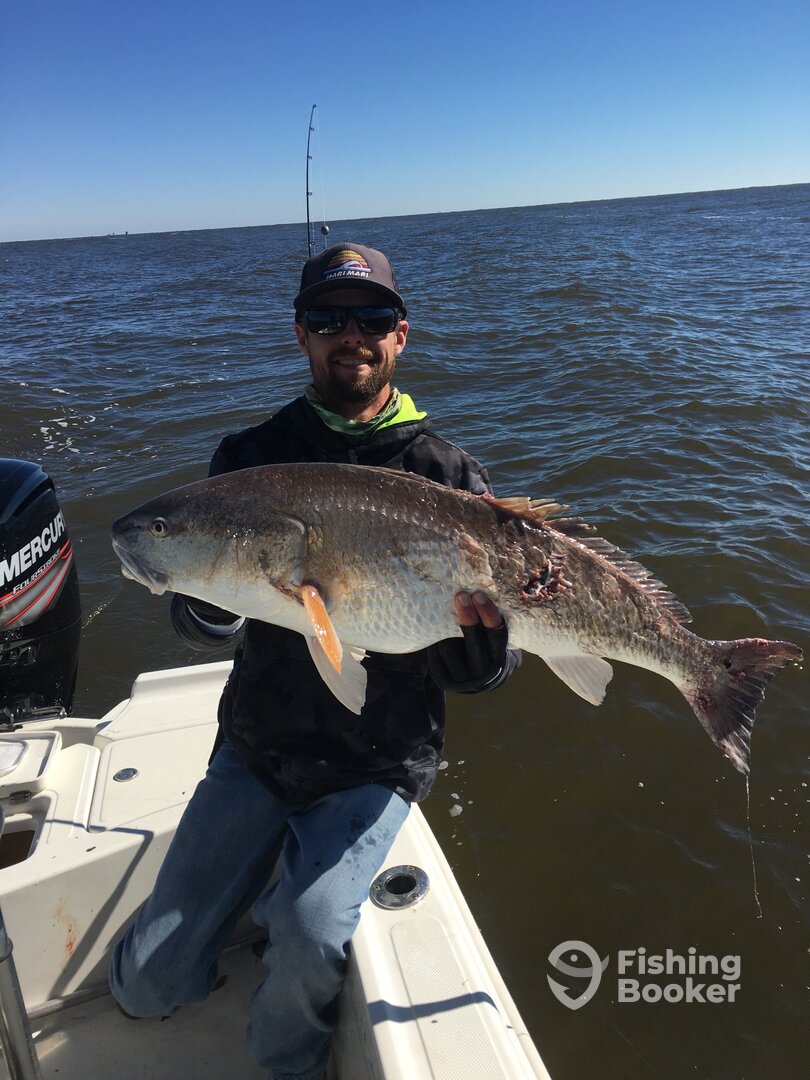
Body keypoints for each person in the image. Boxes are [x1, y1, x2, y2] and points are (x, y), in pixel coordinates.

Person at [109, 243, 520, 1080]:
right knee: (148, 986)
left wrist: (481, 661)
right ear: (301, 334)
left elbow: (500, 652)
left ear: (400, 334)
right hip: (258, 744)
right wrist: (210, 602)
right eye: (329, 319)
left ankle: (289, 1065)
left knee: (306, 933)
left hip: (379, 757)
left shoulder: (450, 474)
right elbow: (202, 617)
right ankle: (201, 922)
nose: (351, 336)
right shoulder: (249, 458)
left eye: (371, 317)